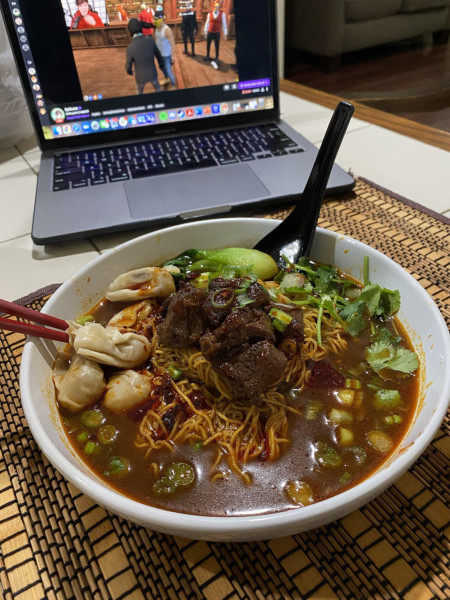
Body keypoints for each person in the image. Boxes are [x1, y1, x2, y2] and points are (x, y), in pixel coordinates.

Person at [125, 19, 163, 94]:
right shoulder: (150, 40)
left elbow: (128, 65)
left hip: (140, 76)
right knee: (158, 89)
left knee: (139, 93)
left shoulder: (130, 47)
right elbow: (159, 55)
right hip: (152, 73)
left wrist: (129, 71)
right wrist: (161, 65)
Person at [153, 10, 176, 87]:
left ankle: (173, 86)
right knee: (162, 68)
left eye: (156, 19)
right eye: (154, 19)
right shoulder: (156, 28)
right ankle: (167, 79)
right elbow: (157, 39)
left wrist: (172, 57)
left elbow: (172, 44)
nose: (155, 21)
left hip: (166, 55)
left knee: (169, 71)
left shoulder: (167, 30)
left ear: (162, 18)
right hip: (159, 54)